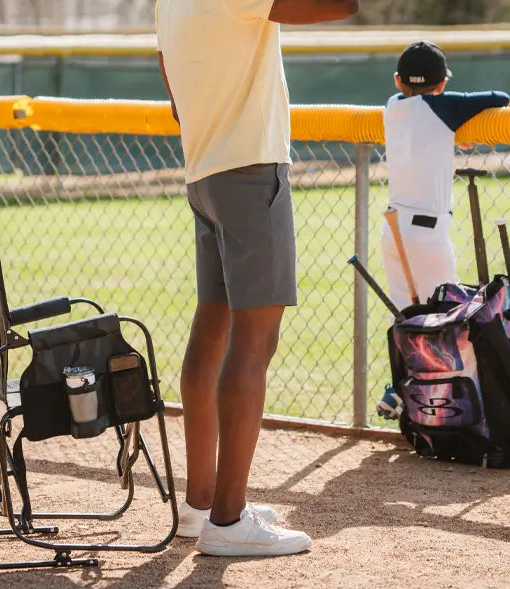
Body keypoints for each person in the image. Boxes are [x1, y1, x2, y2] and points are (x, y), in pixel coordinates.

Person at [156, 0, 359, 557]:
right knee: (255, 342)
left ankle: (202, 505)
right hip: (249, 168)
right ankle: (228, 519)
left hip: (206, 171)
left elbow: (165, 65)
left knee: (212, 329)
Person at [376, 40, 509, 420]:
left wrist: (448, 130)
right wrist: (454, 124)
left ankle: (400, 388)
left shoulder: (391, 105)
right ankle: (462, 408)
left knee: (406, 316)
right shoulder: (441, 105)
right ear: (442, 84)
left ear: (398, 80)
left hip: (394, 229)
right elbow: (498, 95)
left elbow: (422, 118)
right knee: (454, 321)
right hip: (428, 233)